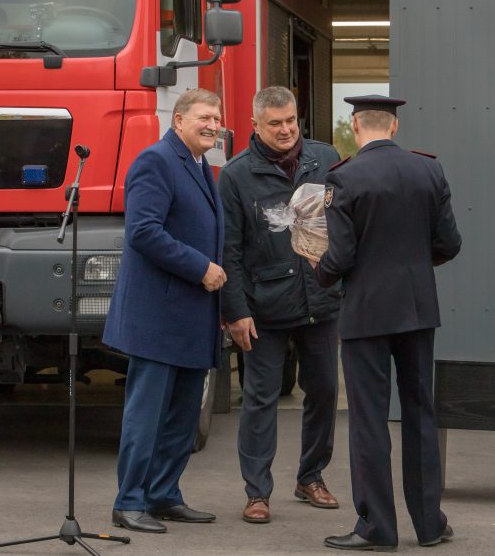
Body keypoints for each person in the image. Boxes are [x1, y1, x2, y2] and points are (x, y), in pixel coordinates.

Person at [312, 95, 461, 551]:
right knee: (420, 416)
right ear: (394, 127)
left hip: (367, 313)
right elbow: (449, 243)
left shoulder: (343, 177)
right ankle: (429, 524)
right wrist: (415, 266)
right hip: (417, 309)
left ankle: (378, 527)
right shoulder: (428, 170)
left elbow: (339, 256)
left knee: (369, 420)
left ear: (356, 126)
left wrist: (318, 271)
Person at [103, 88, 226, 533]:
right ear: (177, 121)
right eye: (203, 117)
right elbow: (142, 231)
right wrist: (200, 269)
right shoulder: (155, 161)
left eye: (217, 117)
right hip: (158, 317)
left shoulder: (200, 167)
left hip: (193, 318)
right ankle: (129, 501)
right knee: (147, 415)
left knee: (181, 417)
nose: (213, 124)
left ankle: (163, 494)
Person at [218, 86, 343, 524]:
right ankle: (257, 492)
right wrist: (235, 311)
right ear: (255, 125)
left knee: (325, 391)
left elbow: (346, 223)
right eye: (275, 123)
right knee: (259, 400)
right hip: (263, 309)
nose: (287, 129)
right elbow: (228, 251)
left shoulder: (325, 160)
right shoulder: (235, 176)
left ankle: (311, 476)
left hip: (320, 299)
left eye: (291, 120)